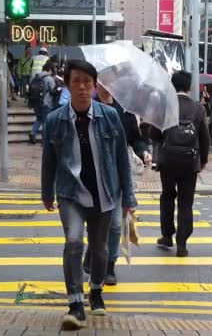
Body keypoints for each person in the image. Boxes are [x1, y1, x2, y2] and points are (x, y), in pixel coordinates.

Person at [41, 59, 138, 329]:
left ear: (94, 86)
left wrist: (129, 198)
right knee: (73, 242)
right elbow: (48, 160)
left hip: (105, 193)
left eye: (87, 82)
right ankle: (75, 303)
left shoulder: (110, 116)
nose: (82, 87)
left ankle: (95, 291)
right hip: (70, 194)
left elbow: (121, 160)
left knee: (100, 249)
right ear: (69, 86)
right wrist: (46, 192)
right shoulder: (54, 120)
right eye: (76, 82)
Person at [81, 82, 152, 286]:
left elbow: (136, 139)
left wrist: (143, 151)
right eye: (101, 83)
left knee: (114, 224)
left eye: (109, 83)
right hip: (92, 175)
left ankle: (109, 266)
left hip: (117, 175)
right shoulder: (88, 107)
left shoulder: (124, 111)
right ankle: (93, 251)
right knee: (95, 222)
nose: (105, 87)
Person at [150, 70, 210, 257]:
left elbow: (154, 135)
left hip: (168, 161)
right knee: (186, 202)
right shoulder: (198, 108)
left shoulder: (164, 106)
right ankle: (182, 243)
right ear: (189, 86)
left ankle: (167, 235)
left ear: (172, 85)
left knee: (167, 196)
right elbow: (204, 138)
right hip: (189, 162)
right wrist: (203, 160)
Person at [28, 61, 57, 144]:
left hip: (35, 103)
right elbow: (52, 91)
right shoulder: (49, 78)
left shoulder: (35, 77)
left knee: (39, 118)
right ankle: (44, 140)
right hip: (46, 104)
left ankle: (33, 133)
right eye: (52, 70)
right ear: (49, 70)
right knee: (45, 121)